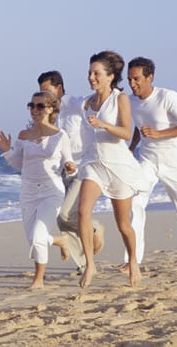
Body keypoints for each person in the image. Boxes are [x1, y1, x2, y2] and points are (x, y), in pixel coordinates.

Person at [125, 56, 177, 274]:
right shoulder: (131, 102)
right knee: (135, 205)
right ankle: (133, 259)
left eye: (136, 79)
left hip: (173, 162)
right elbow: (138, 126)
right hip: (148, 160)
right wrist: (131, 148)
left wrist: (159, 134)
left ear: (150, 77)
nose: (132, 84)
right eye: (129, 79)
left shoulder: (168, 97)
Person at [77, 50, 145, 288]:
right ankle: (90, 264)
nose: (91, 77)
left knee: (123, 225)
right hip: (93, 165)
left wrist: (103, 124)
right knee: (82, 213)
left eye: (96, 73)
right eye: (89, 73)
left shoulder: (120, 99)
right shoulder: (86, 102)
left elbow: (126, 133)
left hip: (117, 167)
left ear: (110, 76)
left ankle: (133, 261)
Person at [0, 91, 73, 290]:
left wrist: (71, 167)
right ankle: (60, 241)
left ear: (50, 109)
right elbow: (19, 164)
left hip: (51, 192)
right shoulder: (24, 135)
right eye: (32, 105)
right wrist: (6, 150)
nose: (35, 110)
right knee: (33, 238)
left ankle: (38, 280)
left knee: (38, 237)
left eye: (40, 106)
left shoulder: (60, 135)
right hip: (28, 192)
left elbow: (69, 160)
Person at [37, 71, 105, 274]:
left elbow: (95, 101)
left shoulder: (75, 105)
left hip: (82, 169)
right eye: (41, 93)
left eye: (48, 92)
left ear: (59, 88)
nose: (44, 97)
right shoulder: (46, 115)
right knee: (62, 219)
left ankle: (93, 228)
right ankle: (84, 265)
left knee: (66, 215)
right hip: (60, 173)